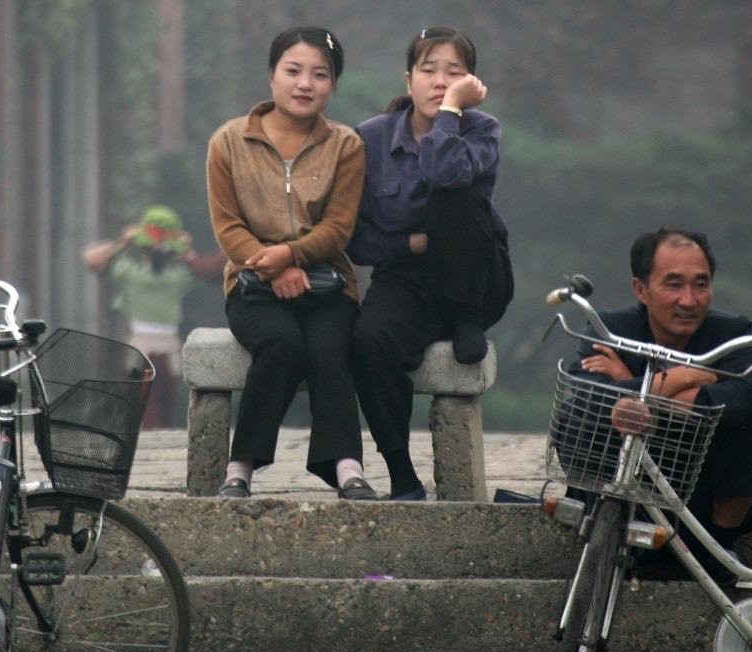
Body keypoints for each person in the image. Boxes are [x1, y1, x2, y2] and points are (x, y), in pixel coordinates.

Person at [206, 26, 375, 500]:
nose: (305, 84)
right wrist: (274, 266)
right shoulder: (229, 142)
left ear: (333, 86)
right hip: (251, 286)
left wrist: (293, 253)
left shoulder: (346, 146)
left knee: (328, 349)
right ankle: (240, 468)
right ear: (272, 77)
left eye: (320, 75)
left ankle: (346, 467)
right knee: (280, 344)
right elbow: (228, 228)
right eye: (294, 71)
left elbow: (339, 228)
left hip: (328, 287)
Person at [348, 26, 514, 501]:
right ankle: (401, 473)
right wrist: (413, 245)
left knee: (455, 194)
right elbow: (357, 240)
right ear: (408, 80)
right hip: (405, 278)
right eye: (429, 70)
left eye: (454, 73)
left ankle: (465, 319)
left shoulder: (482, 128)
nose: (440, 80)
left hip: (477, 279)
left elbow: (445, 173)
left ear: (470, 84)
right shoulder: (371, 138)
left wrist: (449, 114)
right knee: (368, 341)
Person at [569, 228, 752, 564]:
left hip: (700, 488)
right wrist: (684, 377)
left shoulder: (733, 333)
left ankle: (719, 550)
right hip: (624, 486)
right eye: (673, 284)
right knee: (574, 416)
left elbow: (743, 395)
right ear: (641, 289)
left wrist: (636, 389)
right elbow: (586, 399)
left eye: (701, 284)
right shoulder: (609, 329)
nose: (689, 300)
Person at [83, 205, 218, 429]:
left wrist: (183, 249)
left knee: (166, 402)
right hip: (141, 344)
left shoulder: (177, 275)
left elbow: (204, 271)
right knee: (146, 404)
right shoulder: (131, 272)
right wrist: (124, 242)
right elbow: (92, 260)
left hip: (170, 344)